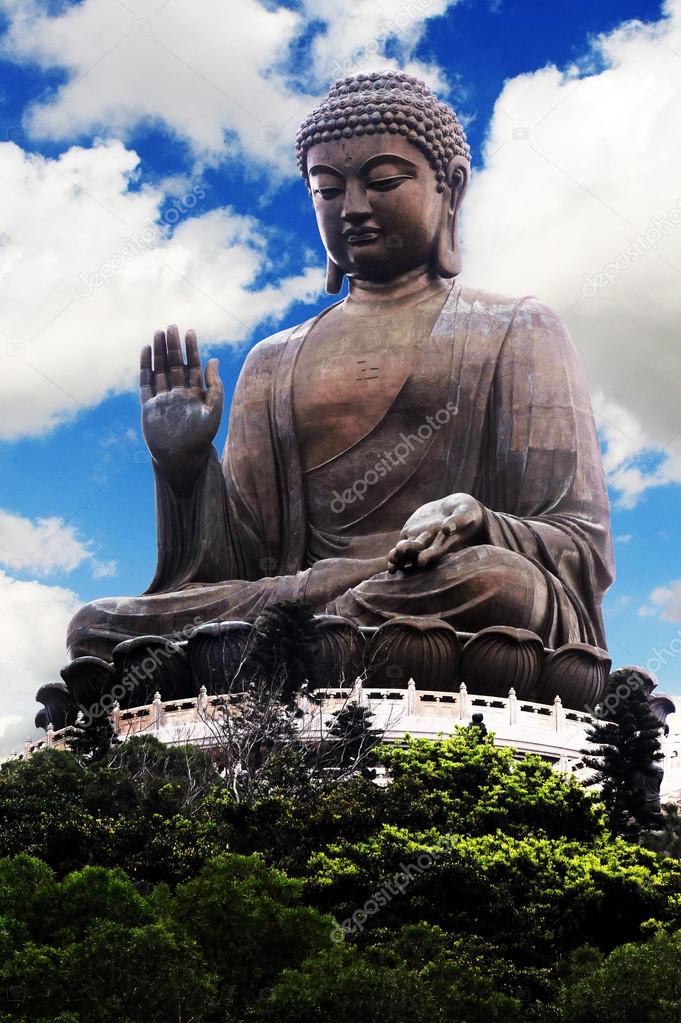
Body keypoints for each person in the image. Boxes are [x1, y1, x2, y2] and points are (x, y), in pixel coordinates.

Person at [67, 71, 614, 664]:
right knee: (95, 626)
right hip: (299, 602)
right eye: (326, 190)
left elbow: (578, 540)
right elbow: (240, 566)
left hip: (437, 588)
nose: (352, 208)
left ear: (450, 188)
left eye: (383, 181)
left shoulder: (516, 327)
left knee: (494, 581)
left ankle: (284, 647)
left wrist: (480, 523)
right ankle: (299, 638)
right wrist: (185, 465)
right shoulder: (273, 360)